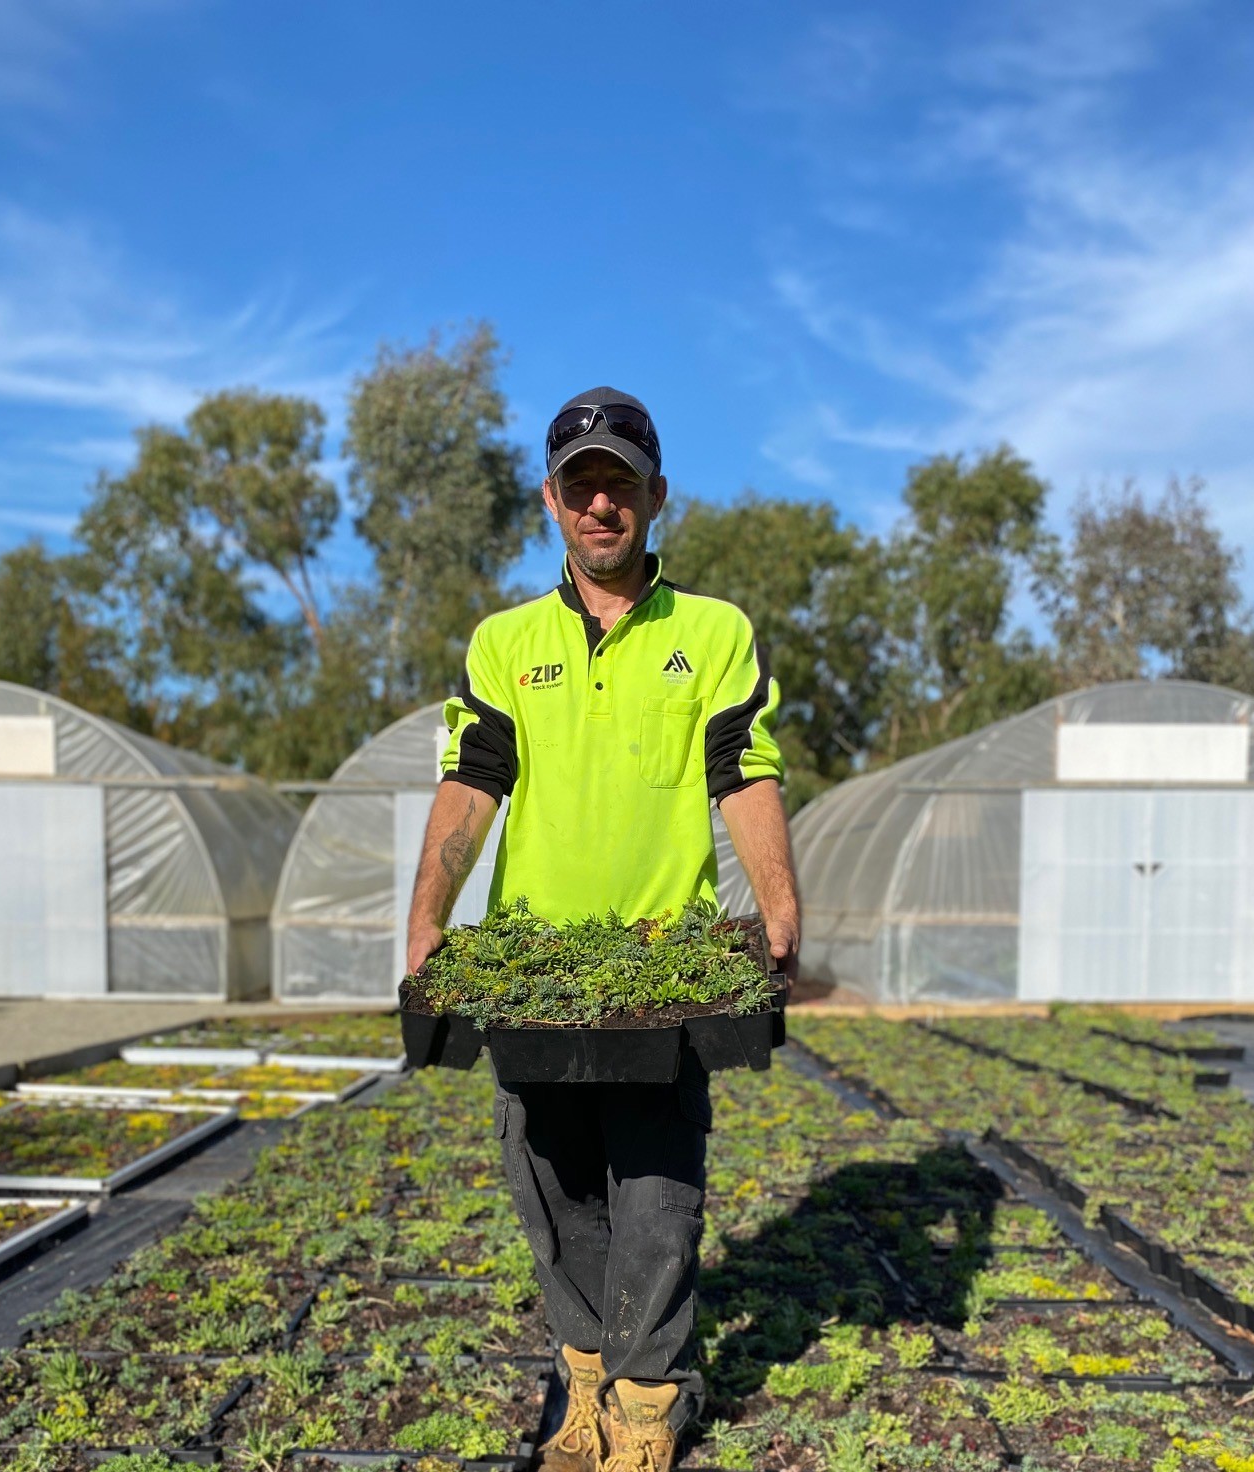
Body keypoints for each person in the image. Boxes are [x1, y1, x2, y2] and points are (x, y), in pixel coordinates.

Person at [405, 387, 800, 1472]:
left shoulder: (711, 632)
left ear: (653, 496)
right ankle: (583, 1376)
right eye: (579, 483)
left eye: (618, 482)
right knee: (552, 1185)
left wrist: (777, 902)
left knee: (657, 1196)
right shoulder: (504, 643)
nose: (598, 502)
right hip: (537, 965)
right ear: (550, 499)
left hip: (663, 967)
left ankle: (645, 1399)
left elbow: (743, 768)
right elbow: (471, 779)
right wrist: (426, 918)